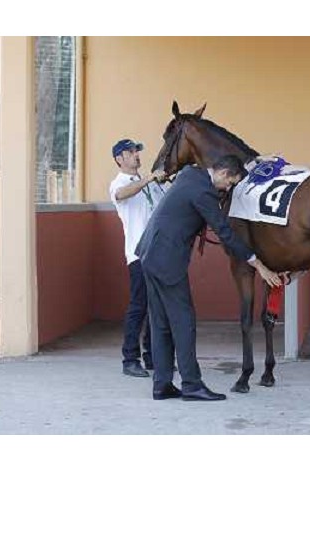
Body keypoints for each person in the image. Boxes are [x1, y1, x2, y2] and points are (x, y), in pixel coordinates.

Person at [136, 154, 282, 402]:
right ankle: (192, 384)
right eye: (230, 183)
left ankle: (161, 384)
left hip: (149, 253)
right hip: (167, 259)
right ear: (223, 174)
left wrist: (255, 161)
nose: (229, 188)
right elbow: (224, 232)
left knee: (160, 323)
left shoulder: (191, 174)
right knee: (184, 322)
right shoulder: (204, 193)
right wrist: (259, 265)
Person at [109, 138, 168, 378]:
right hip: (138, 254)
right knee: (139, 306)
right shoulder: (119, 183)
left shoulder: (150, 184)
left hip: (159, 253)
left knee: (158, 307)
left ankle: (152, 357)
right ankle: (129, 359)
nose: (135, 155)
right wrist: (149, 179)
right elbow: (123, 195)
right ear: (119, 159)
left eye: (136, 151)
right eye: (130, 152)